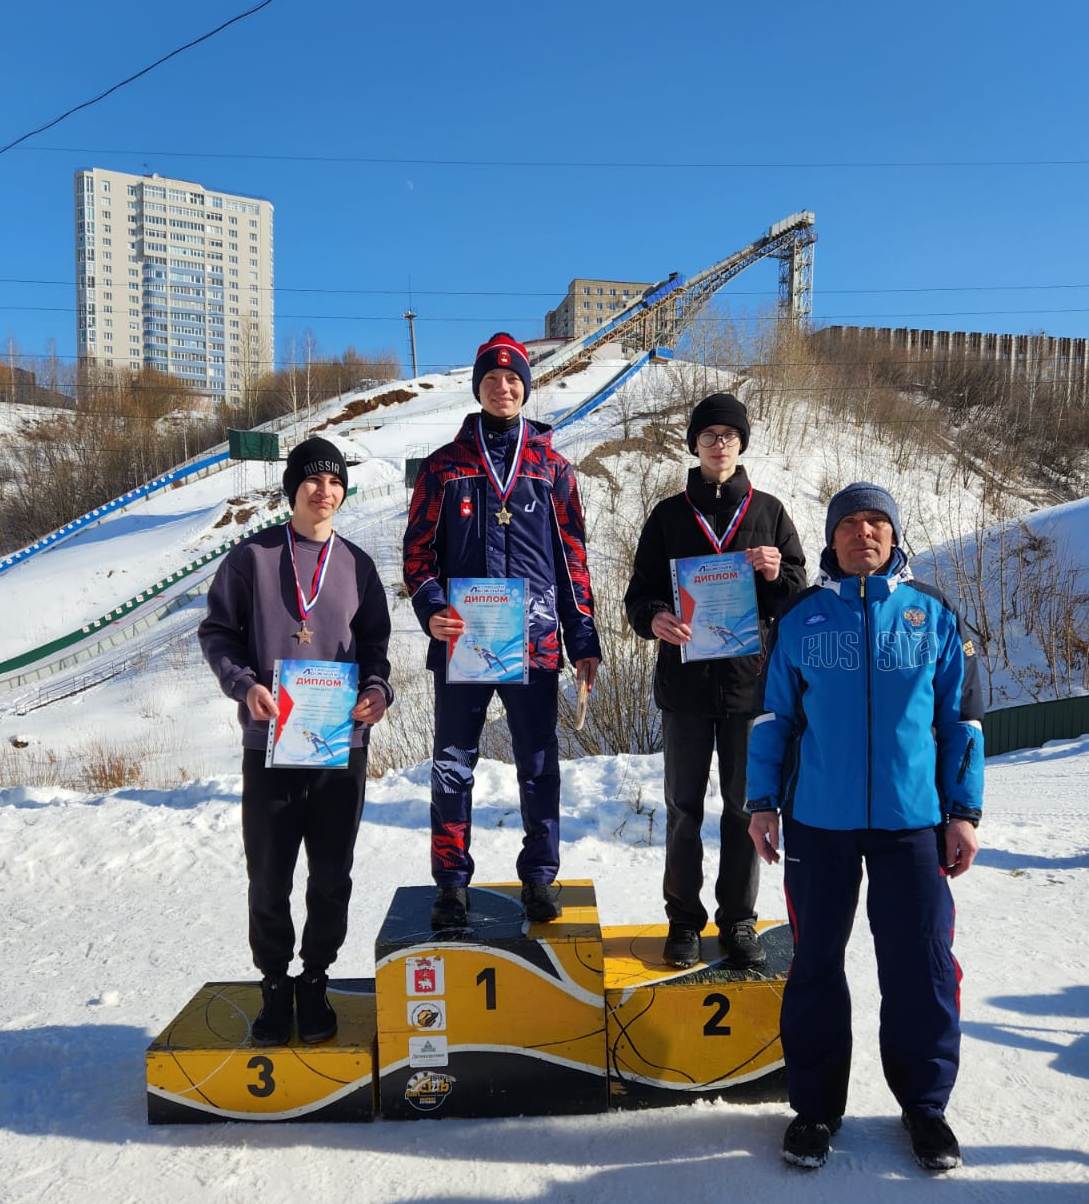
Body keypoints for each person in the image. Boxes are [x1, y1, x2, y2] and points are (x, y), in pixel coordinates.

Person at [746, 482, 983, 1172]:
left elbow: (959, 724)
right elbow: (773, 721)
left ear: (893, 535)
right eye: (849, 524)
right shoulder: (800, 618)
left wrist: (961, 813)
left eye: (876, 523)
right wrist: (763, 803)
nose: (864, 534)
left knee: (920, 966)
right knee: (816, 963)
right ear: (831, 537)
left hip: (911, 823)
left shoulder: (930, 614)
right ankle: (814, 1110)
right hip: (818, 822)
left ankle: (925, 1108)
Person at [198, 436, 393, 1046]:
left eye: (335, 482)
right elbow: (218, 633)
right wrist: (244, 684)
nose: (324, 491)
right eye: (312, 480)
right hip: (270, 745)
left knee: (332, 874)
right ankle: (275, 985)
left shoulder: (358, 565)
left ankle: (315, 981)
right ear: (292, 489)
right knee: (269, 875)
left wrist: (378, 694)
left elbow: (376, 651)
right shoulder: (250, 559)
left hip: (340, 747)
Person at [403, 332, 601, 929]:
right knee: (453, 763)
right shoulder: (443, 468)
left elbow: (574, 559)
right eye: (492, 379)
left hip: (536, 643)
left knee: (539, 764)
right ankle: (451, 882)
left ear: (526, 387)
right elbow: (416, 554)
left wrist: (583, 637)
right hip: (463, 639)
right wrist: (431, 605)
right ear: (478, 387)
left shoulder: (553, 468)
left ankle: (540, 877)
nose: (504, 387)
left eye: (513, 379)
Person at [624, 393, 806, 969]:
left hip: (749, 687)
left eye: (730, 435)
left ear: (741, 443)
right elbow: (638, 596)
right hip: (683, 688)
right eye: (709, 436)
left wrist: (779, 574)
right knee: (681, 808)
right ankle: (683, 920)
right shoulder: (669, 515)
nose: (720, 444)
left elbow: (797, 598)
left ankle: (739, 920)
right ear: (694, 445)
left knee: (742, 808)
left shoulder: (770, 512)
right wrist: (654, 617)